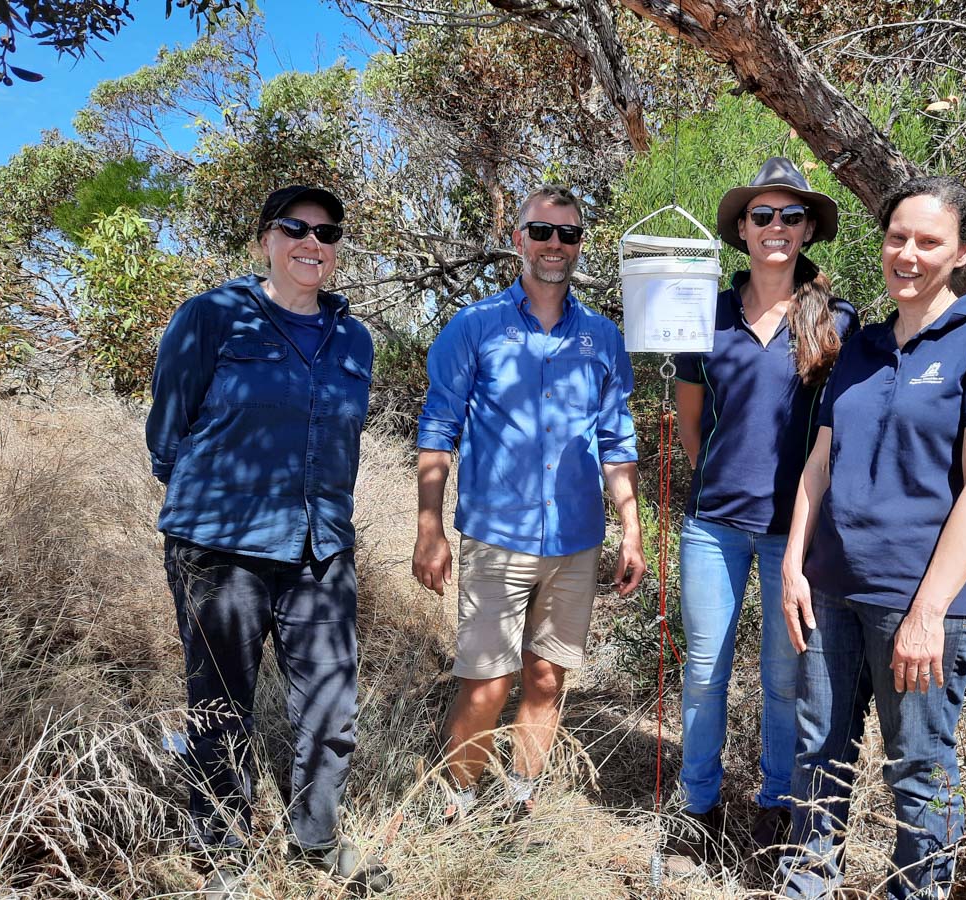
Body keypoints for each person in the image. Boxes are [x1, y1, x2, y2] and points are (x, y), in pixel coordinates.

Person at [777, 176, 966, 899]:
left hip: (923, 604)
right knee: (817, 752)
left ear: (963, 252)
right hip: (831, 590)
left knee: (919, 768)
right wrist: (796, 563)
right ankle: (807, 884)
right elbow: (819, 462)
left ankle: (917, 891)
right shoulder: (859, 347)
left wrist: (927, 613)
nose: (909, 253)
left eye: (929, 241)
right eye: (898, 237)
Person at [147, 186, 389, 895]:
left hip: (320, 548)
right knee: (222, 704)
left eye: (326, 231)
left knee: (331, 705)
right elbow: (168, 435)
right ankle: (222, 853)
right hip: (220, 544)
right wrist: (218, 496)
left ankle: (315, 840)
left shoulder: (354, 338)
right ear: (265, 239)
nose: (312, 242)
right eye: (295, 228)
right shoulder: (211, 317)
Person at [412, 184, 647, 820]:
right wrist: (428, 528)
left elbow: (615, 438)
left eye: (567, 234)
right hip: (497, 535)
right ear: (518, 240)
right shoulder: (474, 326)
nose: (554, 245)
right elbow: (438, 429)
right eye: (541, 232)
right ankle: (458, 801)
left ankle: (521, 798)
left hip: (576, 541)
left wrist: (631, 530)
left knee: (547, 676)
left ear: (579, 245)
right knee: (487, 680)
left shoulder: (602, 337)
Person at [672, 158, 859, 860]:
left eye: (789, 216)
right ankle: (697, 804)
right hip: (713, 526)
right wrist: (720, 481)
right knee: (703, 674)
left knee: (785, 682)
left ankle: (776, 807)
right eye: (761, 216)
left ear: (808, 228)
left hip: (795, 537)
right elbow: (692, 422)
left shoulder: (835, 319)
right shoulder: (708, 312)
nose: (775, 228)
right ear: (742, 230)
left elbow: (839, 431)